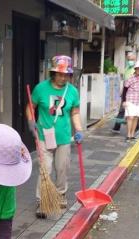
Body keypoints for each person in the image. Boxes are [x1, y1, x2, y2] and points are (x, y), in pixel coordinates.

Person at [27, 55, 84, 217]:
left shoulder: (72, 91)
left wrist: (79, 130)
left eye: (66, 74)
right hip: (44, 136)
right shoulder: (41, 88)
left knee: (62, 169)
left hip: (64, 137)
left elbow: (75, 112)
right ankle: (41, 201)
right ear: (53, 73)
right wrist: (31, 121)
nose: (63, 77)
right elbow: (31, 107)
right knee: (45, 168)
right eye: (60, 74)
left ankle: (60, 195)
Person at [111, 51, 137, 134]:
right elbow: (125, 81)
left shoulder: (136, 69)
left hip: (133, 94)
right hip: (126, 93)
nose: (130, 61)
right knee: (122, 110)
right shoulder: (126, 69)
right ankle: (116, 127)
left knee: (134, 111)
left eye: (132, 59)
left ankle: (134, 128)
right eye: (129, 59)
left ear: (135, 59)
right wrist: (122, 91)